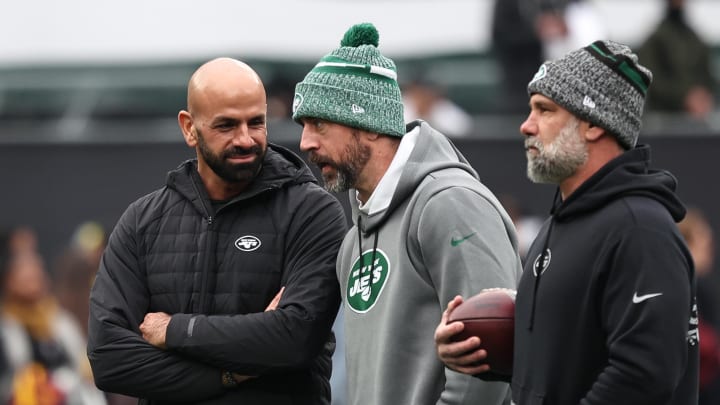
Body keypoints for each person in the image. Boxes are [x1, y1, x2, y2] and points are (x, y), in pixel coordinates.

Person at [435, 40, 699, 404]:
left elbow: (644, 375)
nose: (526, 126)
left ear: (593, 124)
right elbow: (567, 363)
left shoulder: (640, 230)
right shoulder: (560, 223)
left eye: (544, 110)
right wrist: (477, 350)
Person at [87, 57, 348, 404]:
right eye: (226, 126)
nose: (245, 139)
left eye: (256, 122)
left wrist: (176, 330)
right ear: (189, 128)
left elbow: (294, 338)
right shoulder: (142, 221)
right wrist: (233, 373)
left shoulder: (312, 212)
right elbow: (109, 359)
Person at [292, 23, 522, 405]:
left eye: (319, 124)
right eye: (303, 126)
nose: (305, 142)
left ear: (368, 124)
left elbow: (490, 363)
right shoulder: (353, 240)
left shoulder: (450, 206)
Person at [0, 226, 106, 405]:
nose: (32, 278)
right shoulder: (6, 327)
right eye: (24, 274)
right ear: (9, 280)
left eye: (36, 272)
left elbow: (84, 366)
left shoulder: (60, 321)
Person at [638, 0, 716, 120]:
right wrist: (684, 98)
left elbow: (707, 77)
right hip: (665, 120)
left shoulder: (695, 39)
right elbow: (651, 80)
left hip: (696, 119)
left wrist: (702, 97)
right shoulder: (656, 39)